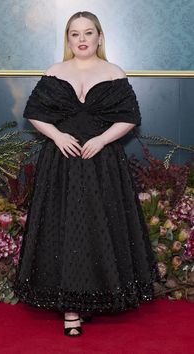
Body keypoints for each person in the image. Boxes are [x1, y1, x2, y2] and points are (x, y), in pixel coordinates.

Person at [14, 11, 161, 337]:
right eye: (75, 34)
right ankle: (71, 310)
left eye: (88, 33)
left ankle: (92, 298)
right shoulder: (55, 72)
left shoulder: (113, 72)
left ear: (99, 37)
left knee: (99, 228)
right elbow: (33, 113)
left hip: (102, 163)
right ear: (68, 39)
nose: (82, 39)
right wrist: (57, 136)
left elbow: (130, 117)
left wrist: (102, 139)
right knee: (64, 230)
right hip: (62, 163)